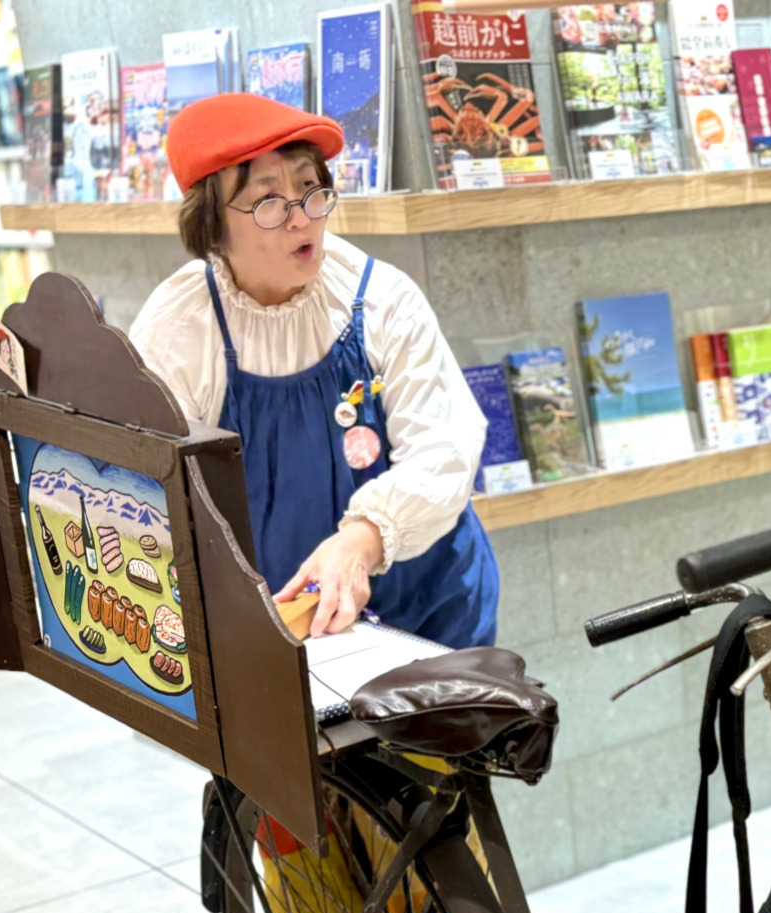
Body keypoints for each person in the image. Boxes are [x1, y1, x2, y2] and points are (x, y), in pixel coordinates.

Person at [129, 95, 496, 644]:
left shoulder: (380, 299)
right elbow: (150, 496)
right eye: (268, 201)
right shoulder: (180, 329)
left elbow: (444, 450)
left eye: (309, 188)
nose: (302, 217)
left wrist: (363, 538)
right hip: (280, 626)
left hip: (428, 608)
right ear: (212, 226)